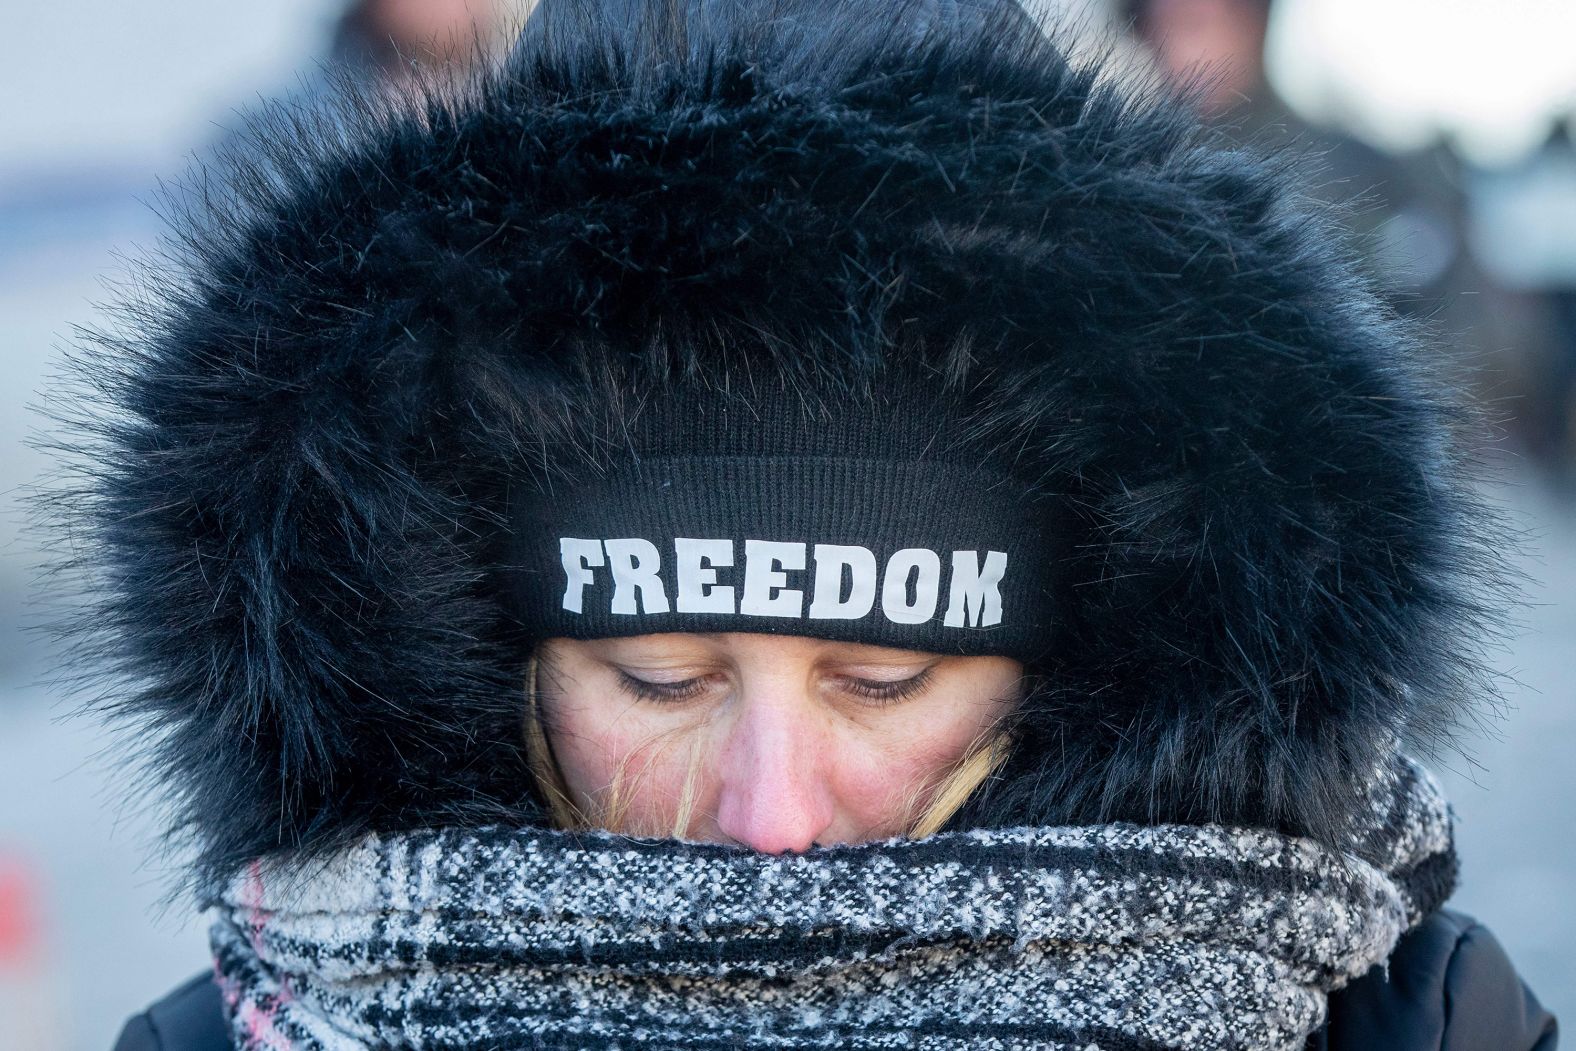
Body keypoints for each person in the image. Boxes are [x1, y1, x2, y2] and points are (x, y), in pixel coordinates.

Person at [35, 0, 1557, 1047]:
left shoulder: (1389, 1022)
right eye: (656, 678)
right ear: (491, 666)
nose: (772, 819)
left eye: (883, 680)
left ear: (1068, 676)